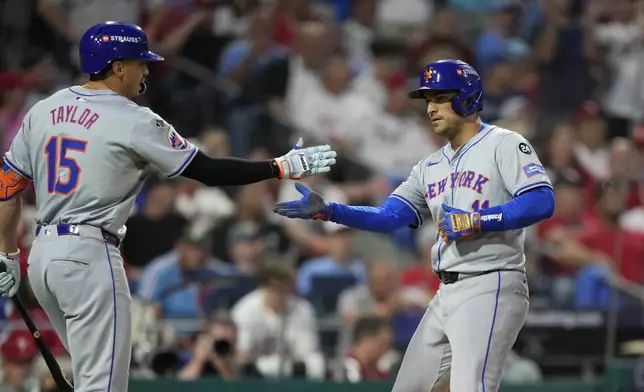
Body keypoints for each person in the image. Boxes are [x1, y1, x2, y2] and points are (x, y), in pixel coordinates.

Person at [0, 21, 337, 392]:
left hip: (43, 259)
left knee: (88, 378)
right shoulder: (133, 118)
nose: (146, 69)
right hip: (88, 257)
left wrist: (8, 254)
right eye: (139, 62)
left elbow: (7, 186)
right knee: (103, 386)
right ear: (117, 67)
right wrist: (279, 167)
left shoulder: (44, 109)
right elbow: (208, 171)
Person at [273, 59, 555, 392]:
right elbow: (389, 216)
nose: (431, 109)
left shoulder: (503, 143)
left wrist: (478, 220)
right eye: (428, 101)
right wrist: (331, 211)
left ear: (467, 97)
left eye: (439, 98)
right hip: (447, 290)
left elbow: (541, 201)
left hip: (491, 281)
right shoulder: (428, 166)